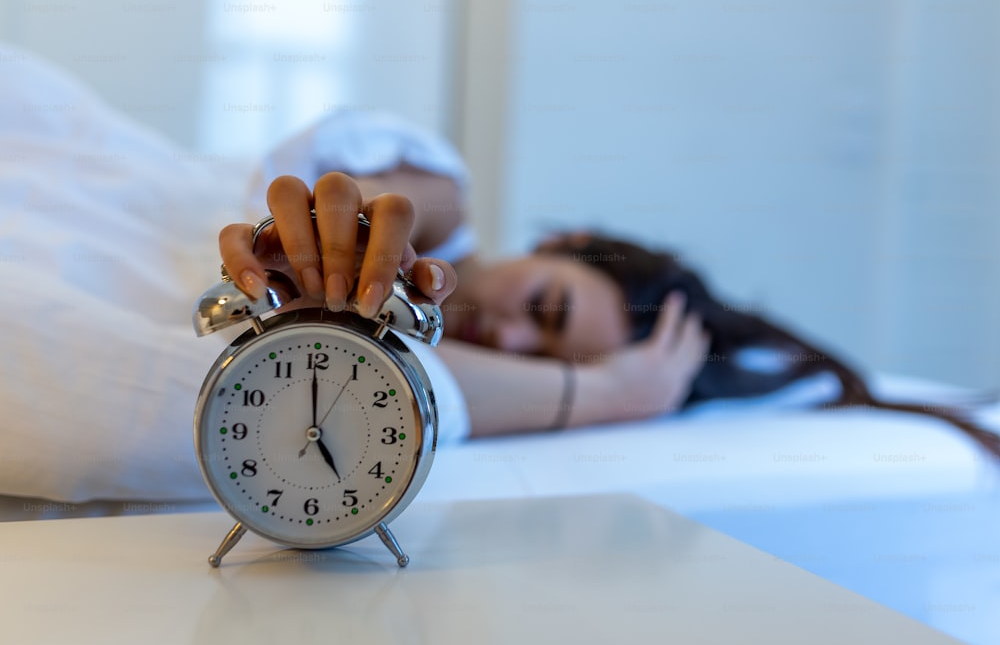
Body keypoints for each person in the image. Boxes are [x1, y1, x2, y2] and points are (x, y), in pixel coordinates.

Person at [219, 117, 1000, 457]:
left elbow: (414, 388)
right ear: (563, 244)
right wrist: (362, 207)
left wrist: (609, 394)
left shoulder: (437, 372)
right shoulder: (433, 205)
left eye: (553, 354)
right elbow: (417, 200)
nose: (514, 340)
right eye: (545, 305)